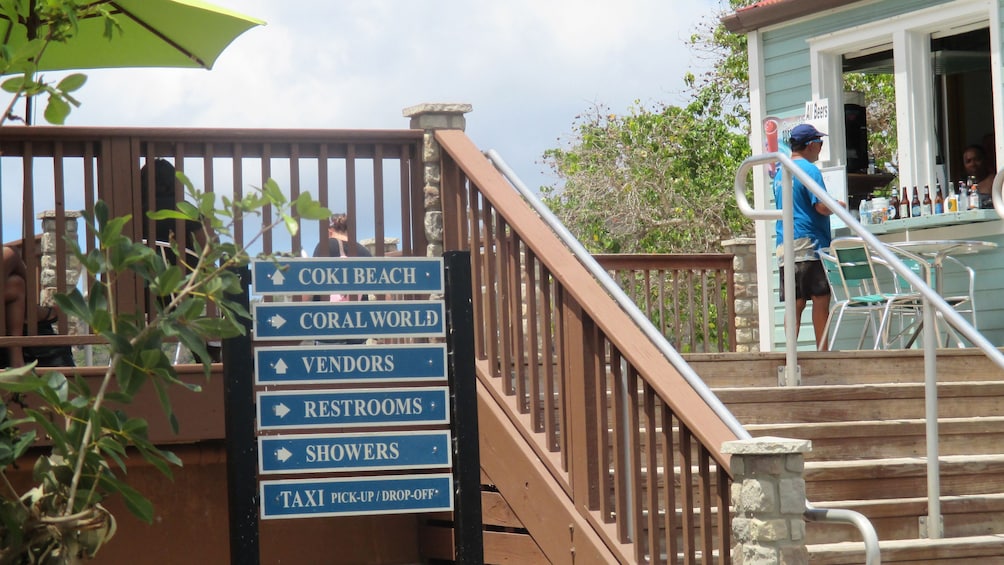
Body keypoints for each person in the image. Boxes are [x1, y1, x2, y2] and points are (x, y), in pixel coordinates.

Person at [773, 123, 846, 351]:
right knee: (820, 299)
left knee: (795, 303)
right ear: (811, 144)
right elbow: (821, 207)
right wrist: (839, 205)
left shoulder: (780, 172)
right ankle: (822, 355)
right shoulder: (810, 170)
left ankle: (790, 356)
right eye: (820, 143)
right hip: (810, 243)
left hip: (785, 243)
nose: (821, 147)